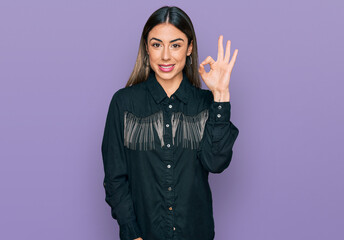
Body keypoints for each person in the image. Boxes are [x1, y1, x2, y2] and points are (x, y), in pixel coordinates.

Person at [101, 5, 239, 240]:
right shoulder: (124, 103)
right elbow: (115, 179)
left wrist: (221, 95)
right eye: (157, 44)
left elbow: (216, 163)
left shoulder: (206, 104)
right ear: (147, 48)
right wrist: (132, 233)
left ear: (190, 48)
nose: (166, 55)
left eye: (176, 45)